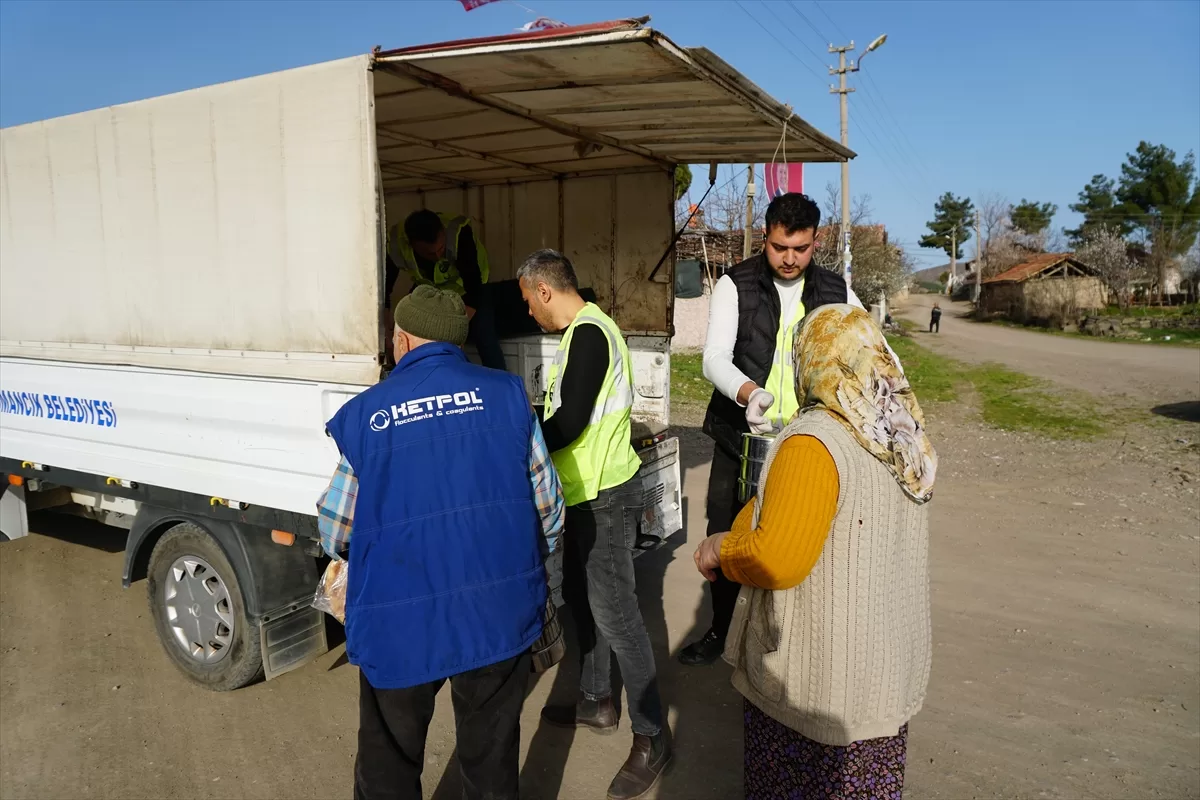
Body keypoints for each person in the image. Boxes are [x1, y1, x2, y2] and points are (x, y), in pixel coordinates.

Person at [317, 285, 565, 800]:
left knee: (389, 761)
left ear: (402, 340)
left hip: (398, 619)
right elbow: (549, 511)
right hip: (496, 613)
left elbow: (336, 529)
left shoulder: (371, 415)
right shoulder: (507, 394)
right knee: (491, 762)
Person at [695, 304, 935, 799]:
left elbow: (776, 558)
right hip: (883, 678)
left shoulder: (814, 442)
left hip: (820, 690)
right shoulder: (900, 434)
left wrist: (722, 547)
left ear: (810, 358)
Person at [680, 192, 867, 667]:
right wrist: (749, 394)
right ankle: (722, 632)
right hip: (738, 435)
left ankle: (782, 642)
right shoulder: (734, 283)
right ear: (766, 237)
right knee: (726, 535)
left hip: (807, 442)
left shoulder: (836, 291)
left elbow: (869, 351)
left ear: (816, 241)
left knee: (792, 541)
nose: (789, 259)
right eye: (780, 247)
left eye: (800, 249)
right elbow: (714, 358)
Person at [516, 249, 672, 800]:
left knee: (618, 615)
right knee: (582, 602)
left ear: (542, 291)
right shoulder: (587, 332)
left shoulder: (587, 334)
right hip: (583, 493)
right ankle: (596, 699)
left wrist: (519, 433)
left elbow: (570, 423)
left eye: (529, 304)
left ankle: (653, 735)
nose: (530, 316)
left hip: (601, 495)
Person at [386, 209, 507, 371]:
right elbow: (384, 290)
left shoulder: (459, 233)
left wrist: (453, 330)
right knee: (409, 322)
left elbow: (474, 290)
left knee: (484, 336)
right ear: (412, 244)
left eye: (441, 249)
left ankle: (497, 381)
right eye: (429, 253)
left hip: (470, 291)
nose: (437, 257)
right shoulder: (396, 243)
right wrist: (387, 330)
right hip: (429, 289)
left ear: (443, 232)